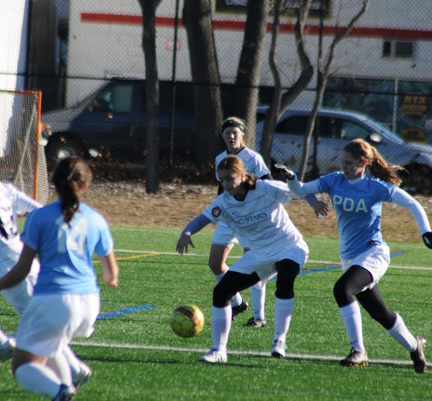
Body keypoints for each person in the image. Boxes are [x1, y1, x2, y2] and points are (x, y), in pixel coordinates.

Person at [0, 156, 119, 401]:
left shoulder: (40, 217)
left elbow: (22, 270)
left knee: (22, 365)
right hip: (89, 304)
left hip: (55, 299)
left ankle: (61, 391)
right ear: (85, 185)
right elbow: (111, 276)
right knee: (53, 343)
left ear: (54, 183)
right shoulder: (96, 219)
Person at [280, 138, 432, 370]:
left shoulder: (375, 187)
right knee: (380, 313)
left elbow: (413, 204)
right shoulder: (334, 181)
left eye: (349, 163)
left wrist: (426, 232)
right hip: (350, 258)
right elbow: (300, 190)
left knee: (342, 289)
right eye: (342, 162)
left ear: (363, 163)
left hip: (373, 253)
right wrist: (291, 178)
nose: (344, 167)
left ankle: (358, 351)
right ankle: (414, 345)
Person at [176, 154, 310, 363]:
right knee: (221, 292)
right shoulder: (224, 201)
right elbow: (202, 219)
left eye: (230, 178)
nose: (226, 183)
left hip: (289, 247)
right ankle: (219, 351)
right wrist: (187, 232)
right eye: (222, 179)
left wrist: (296, 182)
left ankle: (279, 340)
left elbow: (298, 192)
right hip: (259, 254)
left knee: (285, 280)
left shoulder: (265, 188)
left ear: (242, 175)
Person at [0, 149, 92, 389]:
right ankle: (0, 344)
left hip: (12, 272)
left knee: (42, 330)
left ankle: (77, 371)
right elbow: (41, 211)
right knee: (42, 327)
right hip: (18, 261)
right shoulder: (5, 190)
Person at [211, 116, 327, 328]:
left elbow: (270, 186)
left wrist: (310, 200)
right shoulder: (220, 158)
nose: (231, 136)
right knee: (215, 262)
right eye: (227, 133)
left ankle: (258, 316)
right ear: (222, 136)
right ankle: (237, 303)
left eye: (235, 132)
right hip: (231, 217)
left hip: (253, 218)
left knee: (255, 262)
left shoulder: (253, 158)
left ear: (242, 134)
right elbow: (223, 190)